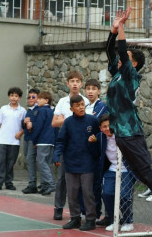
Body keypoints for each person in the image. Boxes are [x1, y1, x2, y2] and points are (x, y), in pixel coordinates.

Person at [104, 6, 152, 233]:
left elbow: (123, 50)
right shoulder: (117, 73)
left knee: (145, 171)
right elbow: (110, 51)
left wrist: (123, 27)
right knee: (140, 173)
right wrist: (113, 30)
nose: (120, 58)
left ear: (133, 63)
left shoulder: (129, 75)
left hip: (130, 131)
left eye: (125, 58)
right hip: (122, 134)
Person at [52, 95, 100, 231]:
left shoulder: (93, 120)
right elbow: (61, 141)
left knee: (87, 192)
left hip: (88, 163)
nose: (81, 107)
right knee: (72, 193)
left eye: (82, 104)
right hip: (70, 163)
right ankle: (75, 218)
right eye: (77, 105)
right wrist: (56, 156)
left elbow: (100, 138)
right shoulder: (68, 122)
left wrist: (95, 141)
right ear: (71, 108)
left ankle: (91, 219)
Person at [51, 70, 90, 220]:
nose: (74, 84)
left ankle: (80, 210)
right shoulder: (62, 101)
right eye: (72, 81)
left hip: (82, 145)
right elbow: (54, 122)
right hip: (66, 144)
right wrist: (72, 119)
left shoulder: (86, 101)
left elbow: (87, 119)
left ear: (81, 84)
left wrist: (66, 118)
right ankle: (59, 207)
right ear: (67, 84)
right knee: (62, 178)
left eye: (77, 81)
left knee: (82, 179)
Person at [88, 114, 136, 232]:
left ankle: (128, 221)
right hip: (112, 168)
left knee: (124, 195)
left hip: (127, 169)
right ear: (100, 128)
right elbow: (96, 154)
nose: (107, 128)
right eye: (104, 126)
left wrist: (123, 145)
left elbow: (134, 149)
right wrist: (92, 142)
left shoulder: (122, 135)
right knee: (107, 194)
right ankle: (114, 220)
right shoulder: (100, 137)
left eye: (109, 125)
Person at [82, 78, 108, 222]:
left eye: (93, 89)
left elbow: (103, 126)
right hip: (86, 152)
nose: (90, 91)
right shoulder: (84, 106)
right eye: (88, 89)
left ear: (99, 91)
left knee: (98, 184)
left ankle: (99, 214)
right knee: (88, 185)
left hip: (99, 152)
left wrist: (97, 137)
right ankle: (87, 211)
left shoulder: (102, 106)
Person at [27, 91, 56, 195]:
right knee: (47, 164)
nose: (37, 101)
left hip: (42, 141)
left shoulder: (42, 110)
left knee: (41, 163)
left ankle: (51, 183)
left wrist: (34, 140)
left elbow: (38, 127)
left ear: (46, 100)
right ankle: (45, 186)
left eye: (39, 99)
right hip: (50, 141)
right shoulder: (51, 111)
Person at [0, 87, 26, 190]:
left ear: (19, 98)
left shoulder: (22, 111)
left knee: (11, 163)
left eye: (16, 96)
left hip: (14, 141)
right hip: (2, 140)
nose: (13, 98)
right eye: (12, 95)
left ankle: (9, 183)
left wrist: (20, 133)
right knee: (1, 162)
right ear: (9, 96)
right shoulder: (3, 109)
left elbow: (24, 126)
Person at [21, 88, 41, 194]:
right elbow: (24, 126)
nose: (30, 99)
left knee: (31, 160)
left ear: (38, 98)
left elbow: (39, 125)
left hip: (34, 139)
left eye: (33, 97)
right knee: (28, 161)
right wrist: (24, 123)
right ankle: (32, 183)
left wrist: (31, 124)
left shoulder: (39, 110)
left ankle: (32, 184)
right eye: (29, 97)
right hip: (27, 138)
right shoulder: (29, 110)